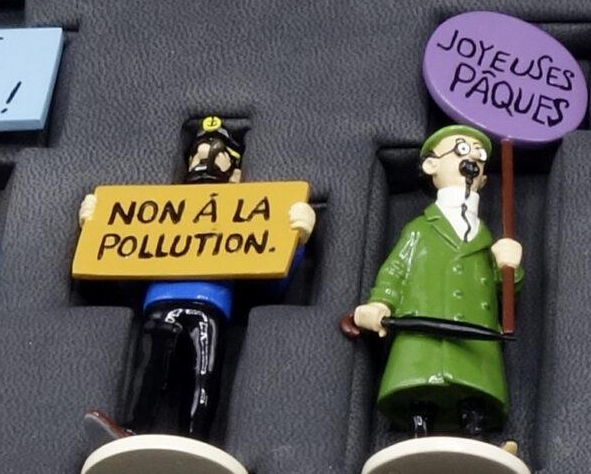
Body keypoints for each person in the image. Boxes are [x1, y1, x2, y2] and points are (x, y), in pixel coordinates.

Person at [83, 114, 315, 450]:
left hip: (210, 309)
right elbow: (123, 263)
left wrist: (296, 242)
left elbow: (270, 283)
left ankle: (197, 441)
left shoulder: (242, 214)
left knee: (203, 375)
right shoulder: (163, 211)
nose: (203, 160)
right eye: (198, 153)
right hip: (160, 304)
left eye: (214, 153)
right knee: (149, 370)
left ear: (235, 173)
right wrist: (97, 229)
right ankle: (134, 430)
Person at [354, 125, 523, 441]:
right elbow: (396, 270)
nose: (471, 160)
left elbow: (505, 292)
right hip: (424, 330)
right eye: (461, 151)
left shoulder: (487, 238)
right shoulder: (419, 229)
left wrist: (509, 267)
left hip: (475, 334)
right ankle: (419, 436)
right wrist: (380, 303)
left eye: (479, 157)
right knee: (420, 395)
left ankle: (476, 440)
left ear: (484, 179)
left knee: (474, 394)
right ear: (431, 165)